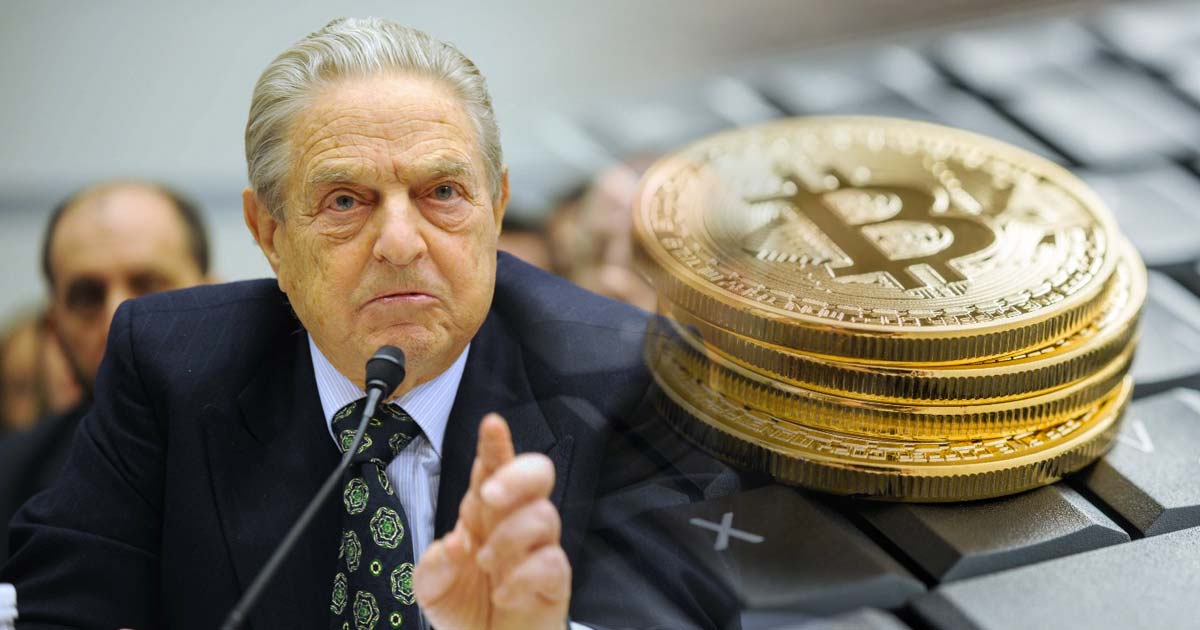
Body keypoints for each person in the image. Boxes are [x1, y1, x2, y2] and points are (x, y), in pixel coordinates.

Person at [2, 18, 748, 629]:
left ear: (495, 210)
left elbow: (684, 614)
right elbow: (62, 602)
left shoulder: (628, 376)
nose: (399, 242)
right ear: (269, 234)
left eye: (442, 192)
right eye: (345, 202)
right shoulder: (172, 366)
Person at [0, 180, 211, 566]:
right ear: (54, 328)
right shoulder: (11, 479)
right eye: (87, 297)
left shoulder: (296, 443)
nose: (118, 319)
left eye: (148, 285)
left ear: (215, 295)